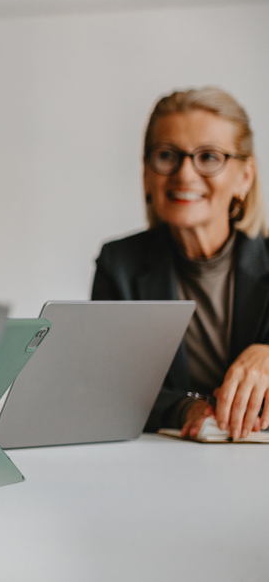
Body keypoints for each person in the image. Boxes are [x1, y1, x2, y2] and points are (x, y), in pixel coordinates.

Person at [92, 87, 269, 439]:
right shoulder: (119, 264)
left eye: (208, 157)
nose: (185, 174)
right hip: (164, 462)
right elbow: (108, 387)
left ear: (244, 178)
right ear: (146, 173)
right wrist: (185, 408)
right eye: (166, 155)